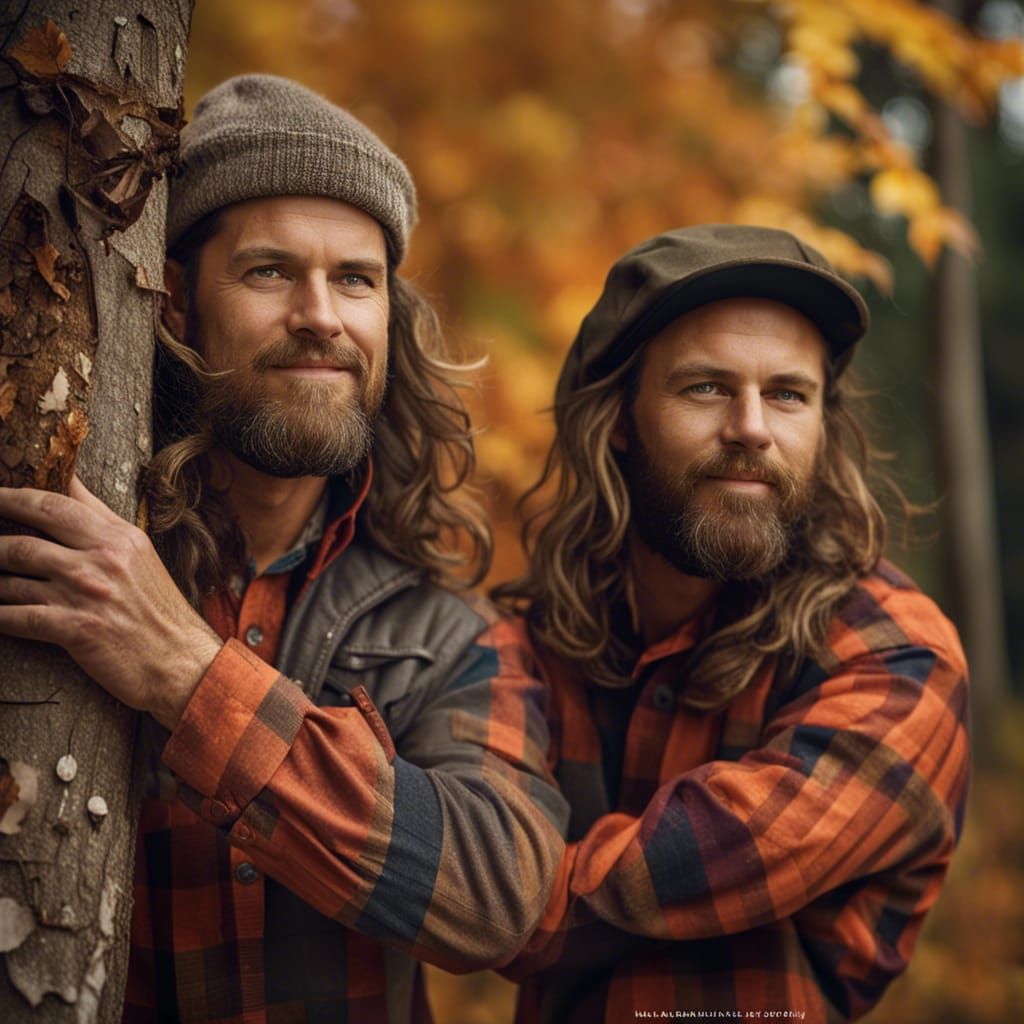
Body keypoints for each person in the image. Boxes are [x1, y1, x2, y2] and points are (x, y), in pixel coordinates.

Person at [0, 75, 567, 1022]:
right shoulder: (68, 563)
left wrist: (183, 674)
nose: (323, 315)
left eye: (356, 278)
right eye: (270, 271)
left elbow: (506, 900)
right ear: (175, 302)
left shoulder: (443, 632)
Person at [499, 225, 970, 1022]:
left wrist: (486, 891)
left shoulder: (900, 657)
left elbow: (499, 896)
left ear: (822, 424)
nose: (752, 426)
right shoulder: (531, 642)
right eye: (707, 387)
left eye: (788, 393)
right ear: (618, 417)